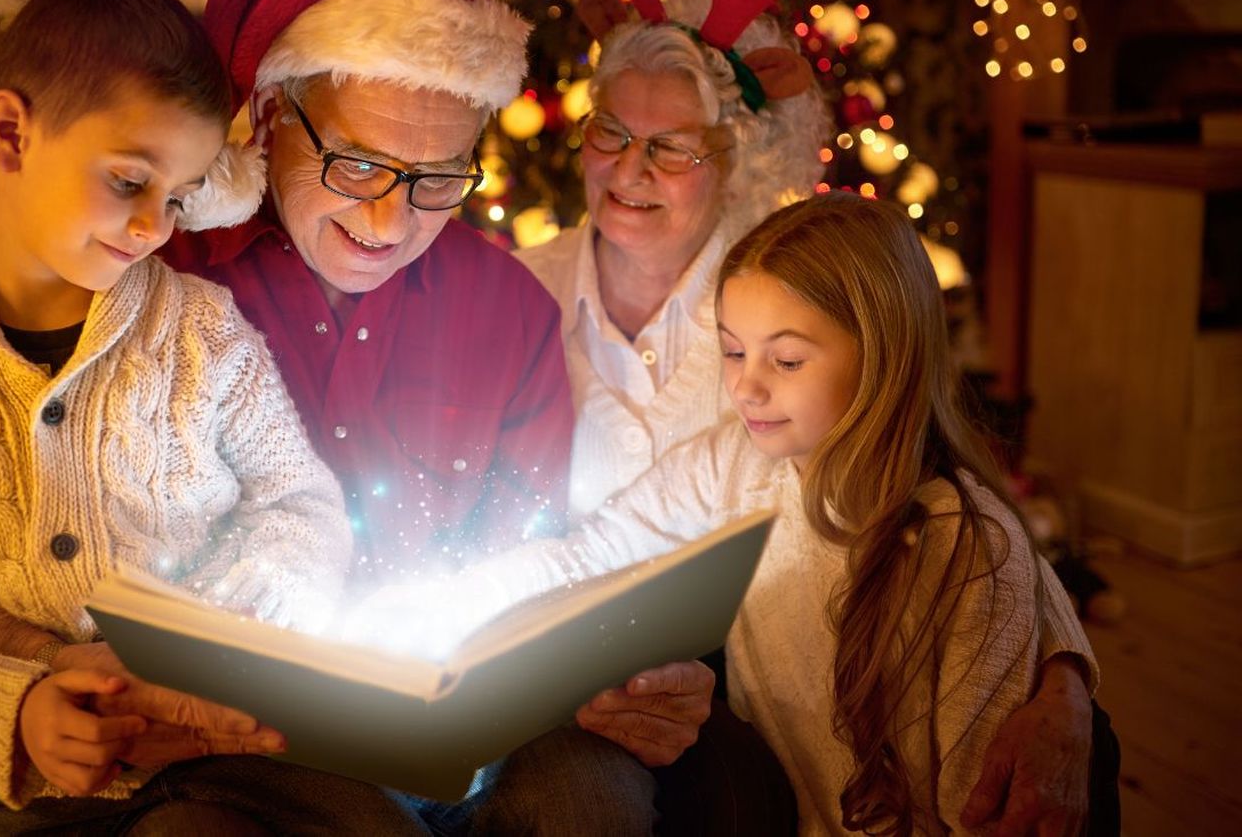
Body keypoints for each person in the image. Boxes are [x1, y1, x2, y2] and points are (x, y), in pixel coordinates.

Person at [0, 0, 720, 834]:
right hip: (209, 744)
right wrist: (54, 669)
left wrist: (621, 668)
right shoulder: (142, 274)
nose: (391, 219)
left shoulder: (504, 305)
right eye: (359, 165)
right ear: (269, 119)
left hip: (463, 726)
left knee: (592, 801)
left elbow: (545, 558)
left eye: (438, 178)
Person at [515, 0, 1102, 834]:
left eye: (672, 147)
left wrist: (1067, 674)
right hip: (584, 643)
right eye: (611, 131)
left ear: (736, 158)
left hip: (742, 656)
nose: (631, 168)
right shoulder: (514, 291)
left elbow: (966, 518)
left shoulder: (777, 284)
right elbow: (566, 544)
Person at [353, 192, 1101, 835]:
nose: (746, 388)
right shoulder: (733, 465)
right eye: (733, 352)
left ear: (882, 353)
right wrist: (420, 610)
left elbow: (980, 804)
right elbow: (590, 554)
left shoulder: (961, 546)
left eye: (786, 360)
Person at [0, 0, 352, 816]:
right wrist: (16, 706)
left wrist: (205, 648)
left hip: (242, 738)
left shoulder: (205, 334)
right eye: (131, 181)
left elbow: (304, 506)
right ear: (11, 134)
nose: (152, 227)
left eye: (177, 199)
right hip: (62, 776)